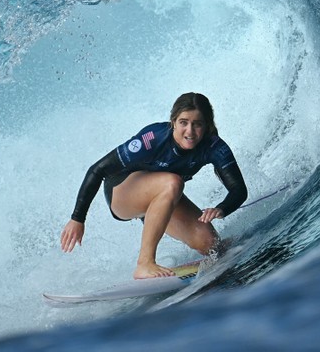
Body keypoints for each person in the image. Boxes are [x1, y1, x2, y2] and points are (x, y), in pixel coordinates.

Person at [60, 92, 248, 279]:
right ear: (173, 122)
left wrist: (222, 208)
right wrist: (78, 218)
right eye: (183, 122)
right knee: (173, 182)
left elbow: (238, 189)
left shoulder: (214, 147)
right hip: (122, 190)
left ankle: (207, 251)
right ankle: (145, 263)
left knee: (212, 245)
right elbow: (97, 170)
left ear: (207, 125)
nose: (189, 131)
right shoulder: (152, 138)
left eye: (197, 124)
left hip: (161, 196)